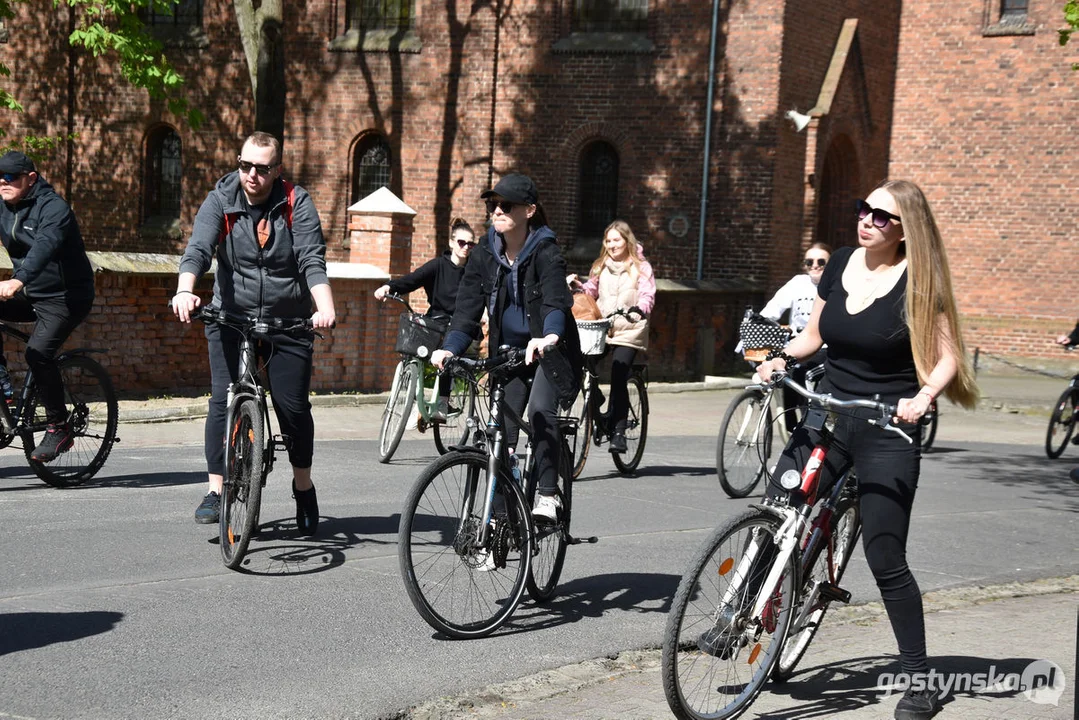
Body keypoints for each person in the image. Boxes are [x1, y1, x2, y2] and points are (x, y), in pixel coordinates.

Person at [756, 180, 978, 720]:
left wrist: (923, 396)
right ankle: (745, 611)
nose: (867, 221)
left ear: (905, 231)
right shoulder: (840, 265)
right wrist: (778, 355)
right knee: (775, 510)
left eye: (882, 217)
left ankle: (921, 683)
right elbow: (813, 335)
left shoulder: (922, 281)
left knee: (885, 558)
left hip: (886, 429)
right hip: (826, 414)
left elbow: (949, 356)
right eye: (864, 209)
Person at [171, 132, 336, 535]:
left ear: (276, 170)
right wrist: (185, 289)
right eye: (245, 165)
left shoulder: (297, 203)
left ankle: (303, 486)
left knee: (292, 407)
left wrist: (324, 305)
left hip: (289, 320)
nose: (251, 175)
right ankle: (215, 490)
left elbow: (311, 258)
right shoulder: (221, 199)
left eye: (262, 169)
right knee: (221, 398)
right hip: (232, 315)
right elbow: (198, 249)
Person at [431, 173, 582, 522]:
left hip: (550, 350)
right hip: (509, 354)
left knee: (541, 410)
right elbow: (466, 310)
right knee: (500, 434)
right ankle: (497, 523)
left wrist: (549, 336)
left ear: (529, 210)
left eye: (506, 205)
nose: (497, 211)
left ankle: (546, 495)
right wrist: (451, 348)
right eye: (492, 205)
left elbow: (556, 302)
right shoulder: (485, 252)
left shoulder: (546, 251)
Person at [0, 150, 95, 461]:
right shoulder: (2, 205)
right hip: (30, 292)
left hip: (65, 295)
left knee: (38, 352)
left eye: (11, 176)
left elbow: (45, 245)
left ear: (31, 179)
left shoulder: (53, 208)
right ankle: (3, 390)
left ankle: (58, 426)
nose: (3, 181)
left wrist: (18, 280)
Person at [374, 217, 477, 420]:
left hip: (459, 325)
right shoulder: (438, 265)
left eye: (470, 244)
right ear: (451, 242)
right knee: (416, 346)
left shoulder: (473, 271)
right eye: (461, 242)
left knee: (447, 353)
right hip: (436, 320)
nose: (466, 247)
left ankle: (443, 402)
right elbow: (413, 279)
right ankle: (414, 397)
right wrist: (389, 287)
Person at [567, 219, 655, 452]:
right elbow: (591, 291)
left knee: (618, 371)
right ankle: (596, 399)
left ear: (627, 241)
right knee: (581, 362)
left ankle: (618, 431)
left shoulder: (641, 267)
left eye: (616, 240)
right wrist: (577, 285)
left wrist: (640, 309)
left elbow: (647, 294)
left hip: (630, 328)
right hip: (604, 327)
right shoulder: (600, 265)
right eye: (608, 240)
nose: (612, 244)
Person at [760, 242, 831, 432]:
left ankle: (814, 425)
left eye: (821, 262)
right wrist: (760, 321)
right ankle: (793, 429)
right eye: (809, 262)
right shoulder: (798, 283)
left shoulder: (835, 285)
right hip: (796, 346)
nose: (814, 266)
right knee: (781, 371)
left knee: (802, 374)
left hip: (824, 349)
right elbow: (773, 309)